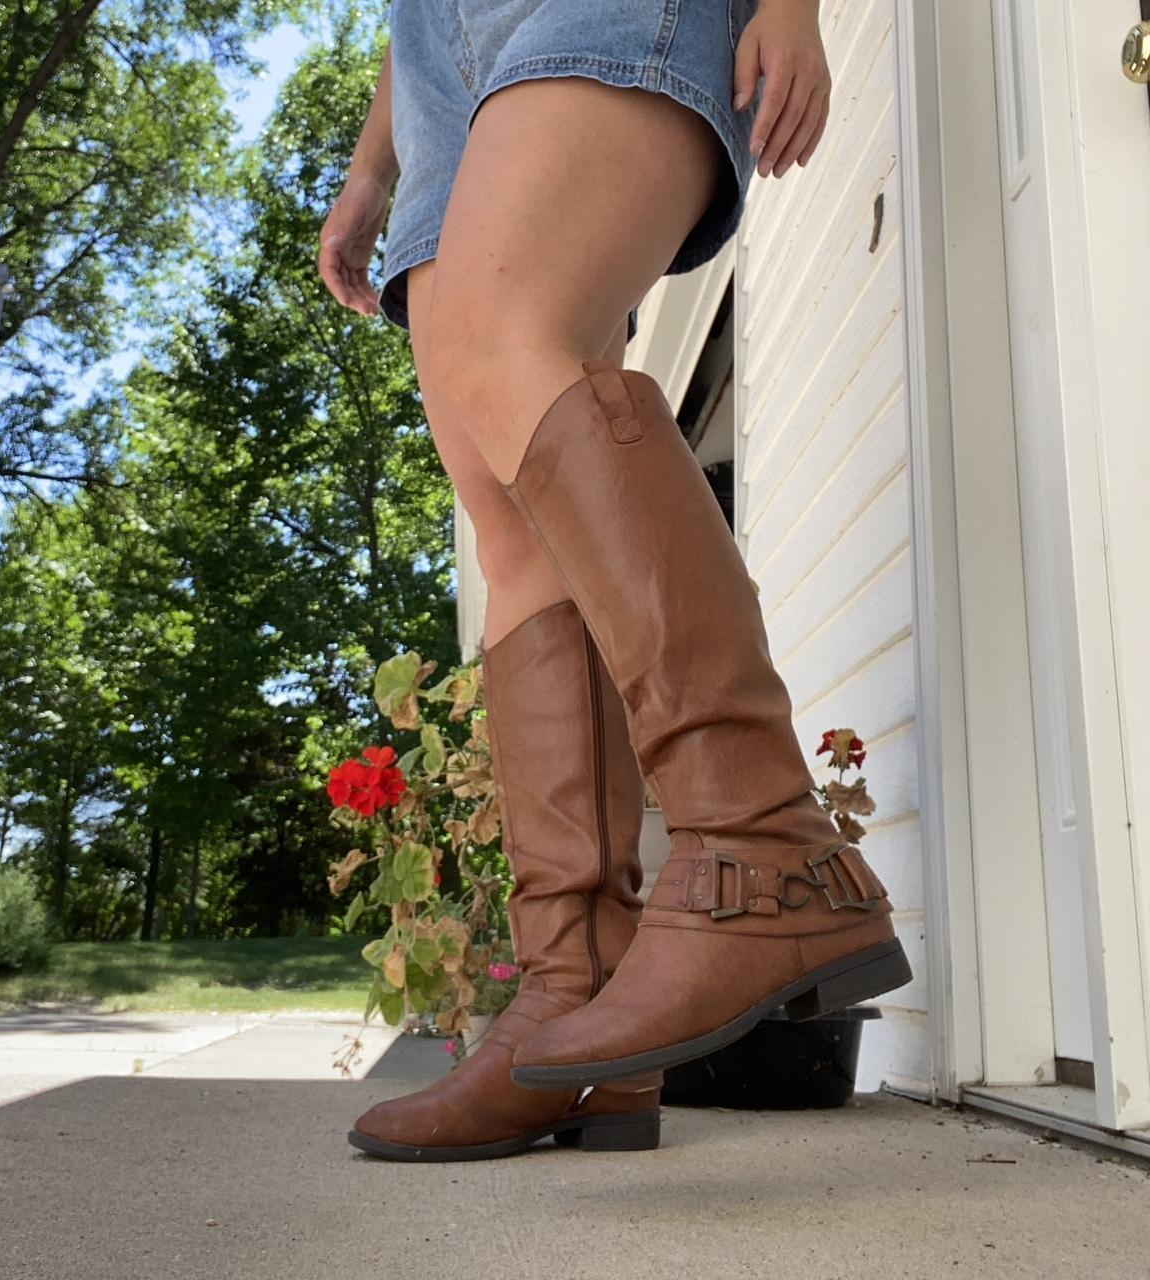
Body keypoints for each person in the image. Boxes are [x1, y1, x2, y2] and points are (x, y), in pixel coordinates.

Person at [320, 0, 911, 1162]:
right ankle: (572, 998)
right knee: (505, 512)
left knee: (509, 336)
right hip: (438, 59)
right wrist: (371, 159)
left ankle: (765, 846)